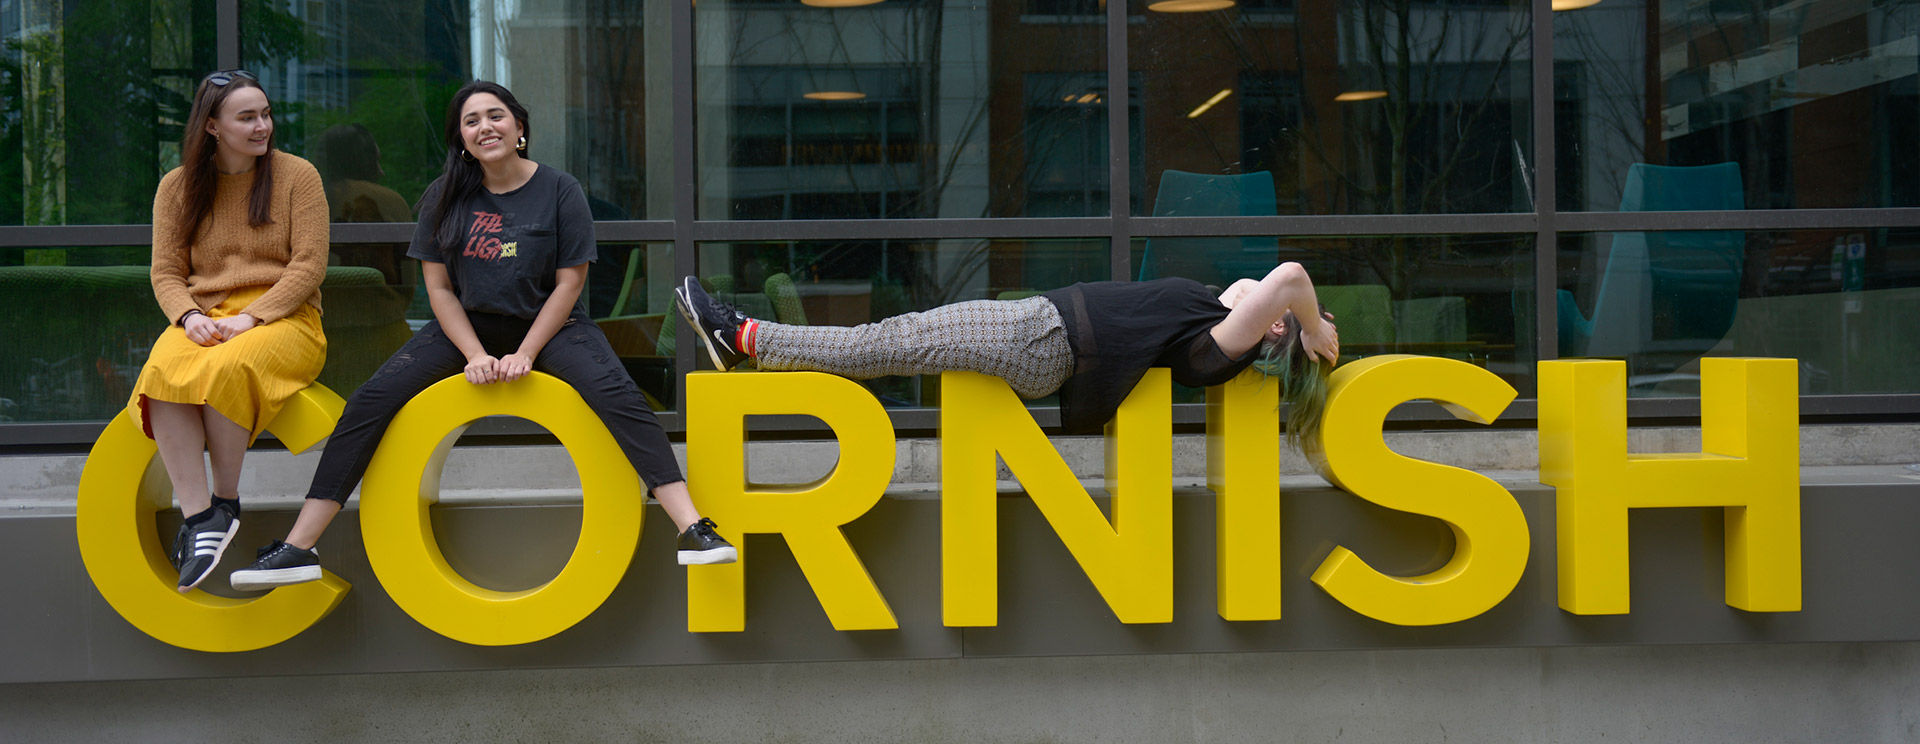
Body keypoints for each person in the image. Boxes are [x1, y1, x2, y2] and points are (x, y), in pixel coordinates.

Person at [228, 81, 735, 591]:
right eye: (471, 121)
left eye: (495, 116)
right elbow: (439, 289)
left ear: (519, 128)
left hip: (553, 326)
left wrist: (527, 352)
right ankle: (299, 545)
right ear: (461, 139)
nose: (484, 127)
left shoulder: (560, 190)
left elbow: (570, 282)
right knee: (368, 401)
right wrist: (473, 352)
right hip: (465, 328)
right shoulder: (444, 196)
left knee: (619, 396)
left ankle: (692, 528)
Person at [674, 264, 1340, 443]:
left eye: (1304, 321)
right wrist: (1295, 321)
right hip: (1041, 330)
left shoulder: (1219, 350)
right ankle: (745, 342)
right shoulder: (1215, 317)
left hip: (1041, 337)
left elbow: (1287, 279)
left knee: (885, 341)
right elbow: (1256, 286)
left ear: (1277, 333)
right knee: (890, 341)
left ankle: (742, 338)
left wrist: (1314, 330)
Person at [134, 69, 330, 592]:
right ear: (213, 126)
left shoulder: (297, 176)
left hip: (285, 319)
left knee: (228, 364)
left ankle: (226, 500)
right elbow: (166, 273)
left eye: (265, 114)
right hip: (204, 315)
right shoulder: (177, 187)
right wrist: (189, 317)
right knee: (164, 371)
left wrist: (253, 317)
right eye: (247, 117)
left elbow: (308, 267)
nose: (263, 125)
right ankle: (201, 519)